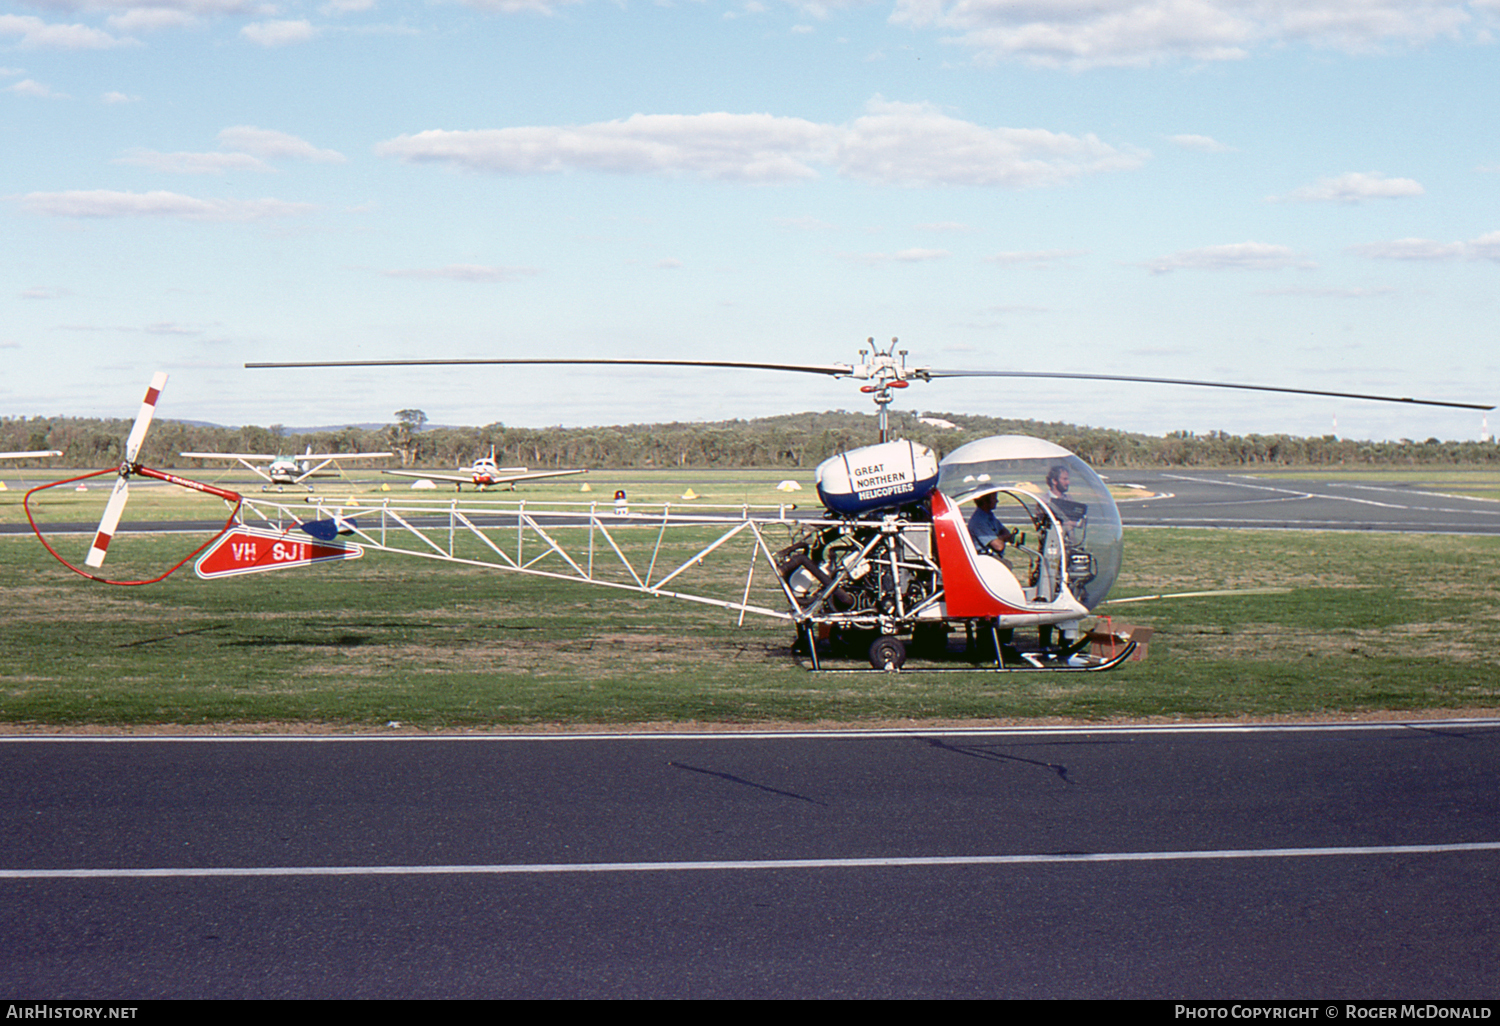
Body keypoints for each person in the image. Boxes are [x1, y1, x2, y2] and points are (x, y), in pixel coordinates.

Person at [967, 492, 1016, 561]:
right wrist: (1002, 538)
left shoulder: (988, 515)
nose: (997, 501)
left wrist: (999, 538)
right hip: (985, 560)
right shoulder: (979, 521)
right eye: (994, 498)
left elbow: (1006, 532)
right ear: (985, 500)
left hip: (993, 558)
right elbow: (999, 546)